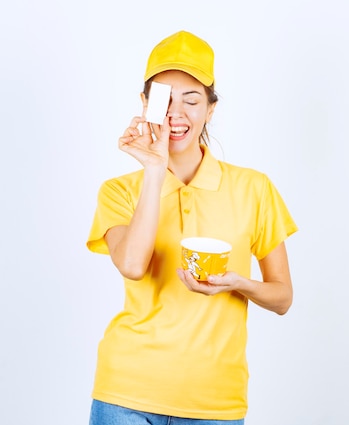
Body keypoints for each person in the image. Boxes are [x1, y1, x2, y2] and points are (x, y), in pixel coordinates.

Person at [86, 30, 298, 425]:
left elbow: (282, 298)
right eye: (164, 98)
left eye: (192, 99)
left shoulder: (254, 188)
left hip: (215, 404)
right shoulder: (118, 191)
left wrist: (237, 283)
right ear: (145, 104)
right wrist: (153, 169)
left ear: (211, 110)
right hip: (125, 396)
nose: (176, 113)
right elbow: (132, 266)